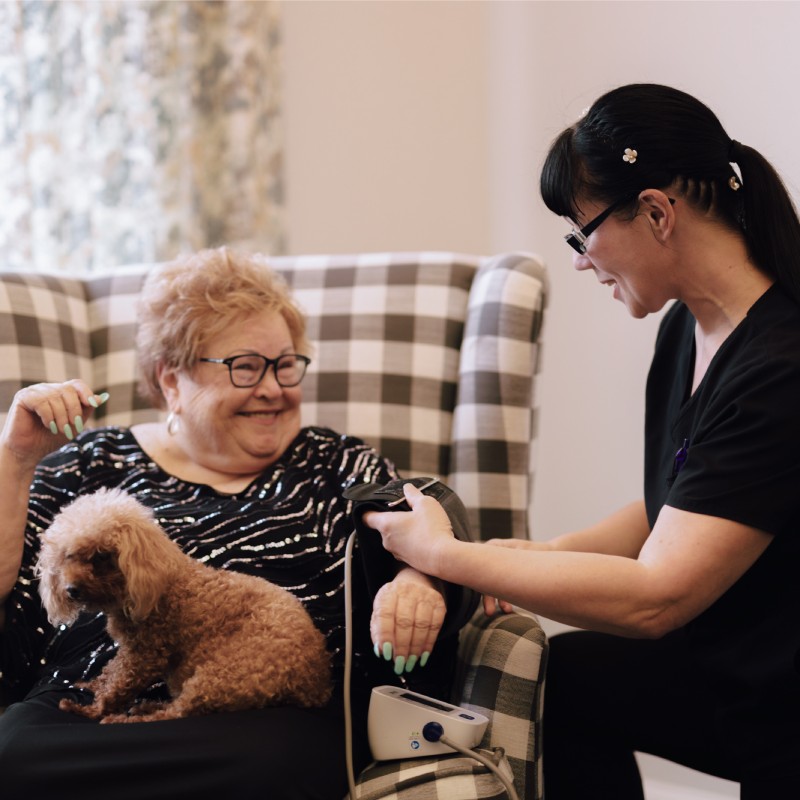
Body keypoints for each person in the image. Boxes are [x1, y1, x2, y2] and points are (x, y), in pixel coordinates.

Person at [363, 84, 800, 799]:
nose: (578, 259)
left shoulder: (781, 365)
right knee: (565, 681)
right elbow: (684, 504)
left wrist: (450, 557)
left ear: (657, 211)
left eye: (581, 232)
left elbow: (657, 596)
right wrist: (543, 555)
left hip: (779, 701)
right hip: (733, 666)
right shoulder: (687, 330)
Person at [0, 247, 475, 800]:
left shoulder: (334, 464)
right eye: (246, 367)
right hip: (84, 709)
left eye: (286, 363)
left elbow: (427, 524)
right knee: (11, 756)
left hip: (260, 719)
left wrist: (418, 580)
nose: (274, 387)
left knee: (280, 765)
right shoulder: (94, 461)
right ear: (171, 380)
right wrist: (15, 461)